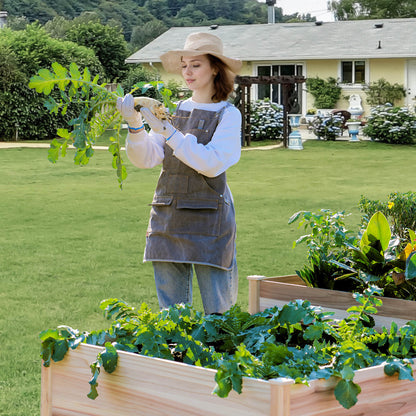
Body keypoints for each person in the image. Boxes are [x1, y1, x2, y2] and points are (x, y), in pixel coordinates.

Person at [116, 32, 242, 315]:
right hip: (168, 216)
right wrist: (135, 126)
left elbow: (211, 163)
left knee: (219, 317)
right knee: (172, 319)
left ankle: (218, 359)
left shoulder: (228, 114)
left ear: (215, 68)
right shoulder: (177, 109)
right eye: (184, 64)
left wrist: (169, 133)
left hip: (210, 219)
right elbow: (147, 158)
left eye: (195, 65)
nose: (187, 71)